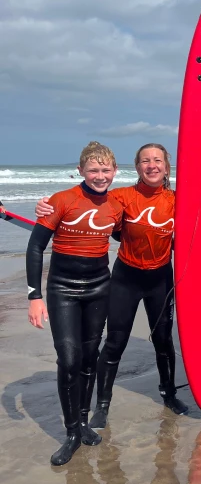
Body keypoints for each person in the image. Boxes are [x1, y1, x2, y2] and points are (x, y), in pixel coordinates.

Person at [35, 143, 188, 430]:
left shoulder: (178, 200)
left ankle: (169, 394)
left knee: (164, 341)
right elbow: (90, 205)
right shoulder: (120, 197)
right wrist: (45, 206)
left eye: (157, 160)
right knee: (115, 342)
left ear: (166, 167)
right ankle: (102, 406)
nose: (151, 165)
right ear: (137, 166)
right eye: (145, 161)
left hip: (161, 279)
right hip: (125, 279)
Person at [26, 142, 123, 465]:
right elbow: (36, 247)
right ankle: (70, 433)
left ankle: (82, 422)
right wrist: (34, 296)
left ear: (114, 171)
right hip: (63, 289)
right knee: (68, 358)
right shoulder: (61, 200)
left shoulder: (117, 203)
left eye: (105, 170)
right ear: (80, 170)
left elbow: (135, 229)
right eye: (93, 170)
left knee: (89, 356)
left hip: (99, 286)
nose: (99, 176)